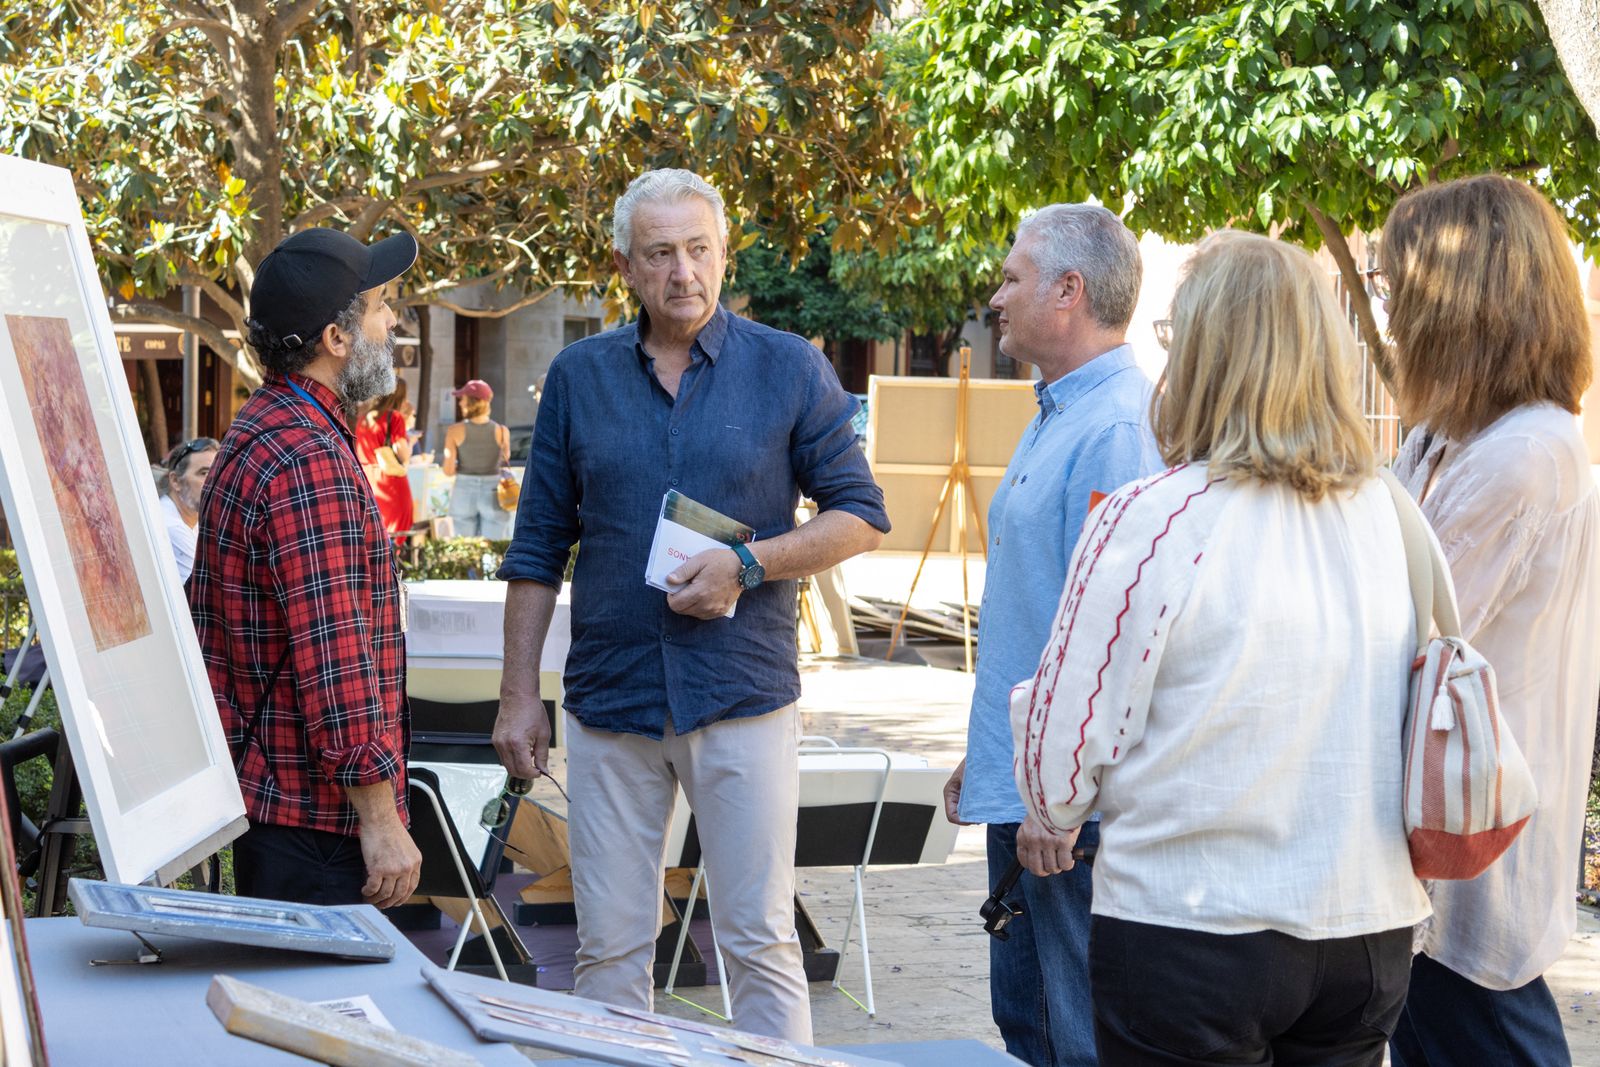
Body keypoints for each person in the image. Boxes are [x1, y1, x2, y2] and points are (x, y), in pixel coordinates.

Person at [1013, 231, 1430, 1066]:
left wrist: (1049, 799)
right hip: (1364, 923)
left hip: (1192, 926)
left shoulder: (1152, 514)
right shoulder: (1389, 509)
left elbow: (1061, 756)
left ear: (1201, 354)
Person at [493, 168, 889, 1043]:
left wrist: (746, 565)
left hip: (740, 694)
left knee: (758, 940)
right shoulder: (577, 377)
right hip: (611, 699)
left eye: (699, 250)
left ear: (724, 253)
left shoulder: (789, 366)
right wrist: (519, 692)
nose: (684, 273)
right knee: (608, 948)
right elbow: (537, 549)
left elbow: (861, 516)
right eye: (662, 254)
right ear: (624, 266)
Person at [1380, 175, 1600, 1067]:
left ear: (1463, 303)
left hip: (1474, 835)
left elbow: (1400, 621)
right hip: (1442, 830)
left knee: (1488, 1032)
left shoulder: (1525, 452)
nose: (1392, 312)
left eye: (1403, 288)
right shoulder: (1451, 434)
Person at [940, 204, 1161, 1067]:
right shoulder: (1058, 409)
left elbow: (1112, 635)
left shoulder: (1115, 430)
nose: (996, 297)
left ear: (1069, 291)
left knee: (1075, 1036)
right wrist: (989, 749)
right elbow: (1039, 612)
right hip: (1032, 780)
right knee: (1030, 1024)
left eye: (1012, 277)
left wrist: (1056, 798)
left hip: (1065, 807)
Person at [188, 226, 422, 909]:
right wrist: (379, 819)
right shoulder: (307, 456)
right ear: (337, 339)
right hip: (316, 826)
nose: (392, 321)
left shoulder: (268, 425)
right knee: (325, 1015)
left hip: (282, 807)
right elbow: (336, 657)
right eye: (382, 305)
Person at [442, 379, 511, 538]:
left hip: (464, 490)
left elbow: (448, 470)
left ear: (471, 402)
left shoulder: (454, 431)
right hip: (494, 491)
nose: (460, 404)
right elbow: (504, 458)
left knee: (464, 547)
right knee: (495, 546)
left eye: (462, 399)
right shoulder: (502, 431)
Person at [356, 378, 416, 539]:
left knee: (376, 532)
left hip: (368, 479)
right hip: (391, 480)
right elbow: (402, 452)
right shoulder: (394, 417)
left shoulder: (364, 418)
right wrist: (411, 443)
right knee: (398, 529)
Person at [157, 436, 218, 582]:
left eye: (217, 473)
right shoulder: (171, 527)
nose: (214, 482)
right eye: (204, 473)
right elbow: (206, 589)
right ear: (176, 481)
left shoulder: (193, 519)